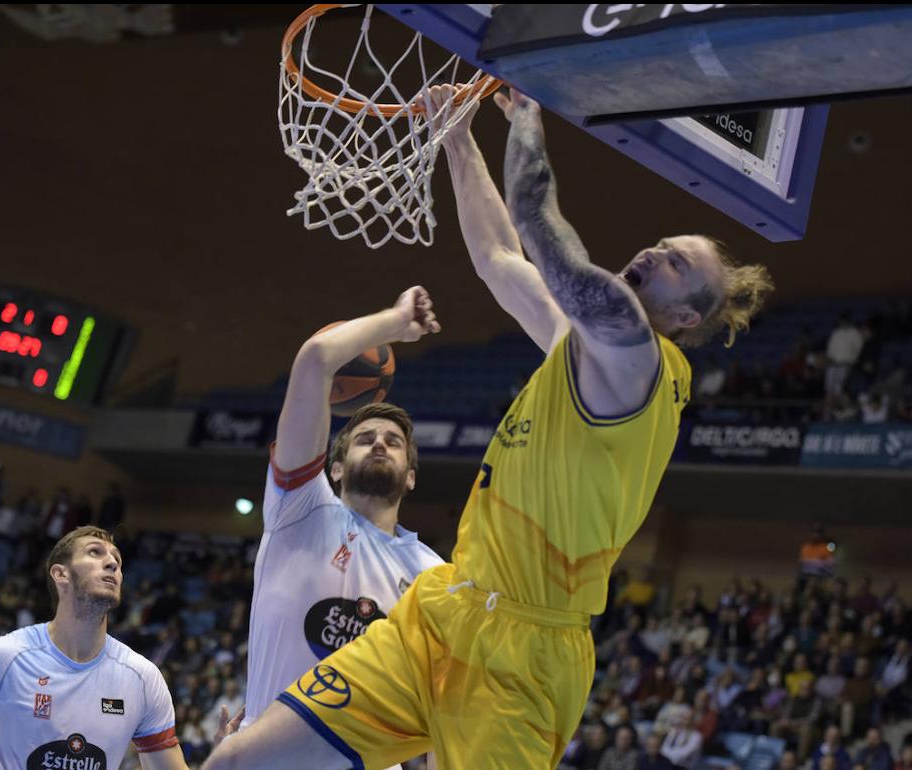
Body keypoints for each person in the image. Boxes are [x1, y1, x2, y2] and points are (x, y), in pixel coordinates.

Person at [204, 85, 772, 770]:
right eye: (661, 243)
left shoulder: (638, 361)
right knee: (238, 759)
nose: (655, 253)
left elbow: (539, 227)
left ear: (686, 318)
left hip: (525, 654)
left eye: (677, 263)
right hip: (446, 610)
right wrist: (456, 136)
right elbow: (500, 258)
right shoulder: (582, 342)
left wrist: (529, 116)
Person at [238, 292, 446, 761]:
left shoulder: (436, 576)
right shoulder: (302, 507)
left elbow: (440, 705)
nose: (379, 445)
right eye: (365, 439)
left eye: (393, 442)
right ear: (334, 468)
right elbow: (315, 361)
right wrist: (394, 323)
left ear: (410, 476)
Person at [0, 526, 191, 770]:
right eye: (95, 553)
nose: (112, 563)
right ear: (61, 574)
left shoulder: (142, 678)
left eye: (117, 559)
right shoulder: (1, 657)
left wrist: (228, 758)